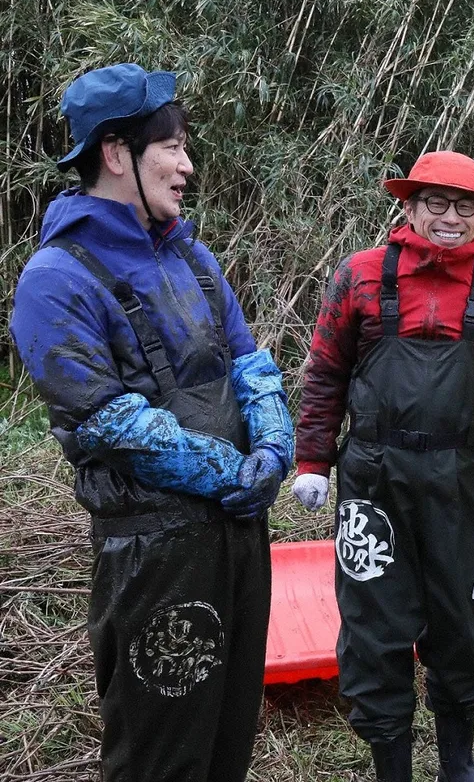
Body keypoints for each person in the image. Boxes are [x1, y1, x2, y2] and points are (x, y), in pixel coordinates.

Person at [9, 63, 293, 782]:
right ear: (115, 152)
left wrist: (274, 448)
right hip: (151, 555)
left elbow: (250, 363)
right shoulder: (56, 279)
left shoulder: (193, 259)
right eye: (172, 146)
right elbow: (108, 422)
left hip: (238, 535)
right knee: (161, 757)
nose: (187, 165)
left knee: (229, 737)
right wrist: (235, 471)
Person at [291, 150, 474, 782]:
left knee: (461, 618)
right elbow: (325, 372)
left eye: (465, 206)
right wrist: (313, 458)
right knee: (374, 621)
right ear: (409, 206)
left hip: (460, 475)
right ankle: (391, 766)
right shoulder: (362, 275)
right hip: (374, 474)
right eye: (436, 203)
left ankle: (458, 760)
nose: (450, 218)